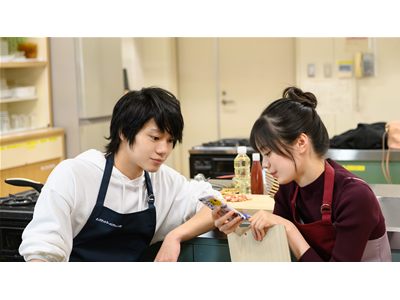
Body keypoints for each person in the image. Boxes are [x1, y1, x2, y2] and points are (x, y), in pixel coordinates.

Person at [20, 87, 220, 262]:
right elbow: (42, 248)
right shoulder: (75, 174)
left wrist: (175, 236)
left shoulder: (164, 180)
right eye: (155, 137)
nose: (164, 149)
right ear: (124, 132)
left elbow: (216, 203)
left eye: (170, 140)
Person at [212, 86, 392, 262]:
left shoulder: (354, 196)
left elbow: (285, 229)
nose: (265, 165)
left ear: (300, 143)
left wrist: (289, 228)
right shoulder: (288, 189)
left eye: (268, 153)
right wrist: (236, 227)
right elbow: (272, 240)